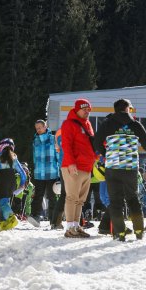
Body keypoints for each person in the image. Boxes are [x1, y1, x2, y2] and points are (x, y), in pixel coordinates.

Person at [93, 98, 146, 241]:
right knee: (133, 199)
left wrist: (106, 154)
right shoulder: (135, 124)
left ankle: (119, 233)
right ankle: (139, 231)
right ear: (127, 109)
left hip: (113, 167)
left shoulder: (107, 124)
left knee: (115, 201)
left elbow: (96, 142)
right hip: (130, 167)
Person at [60, 99, 97, 238]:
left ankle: (76, 226)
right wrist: (70, 163)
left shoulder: (88, 124)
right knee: (72, 197)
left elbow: (91, 145)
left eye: (89, 110)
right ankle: (69, 228)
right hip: (73, 167)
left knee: (80, 200)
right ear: (77, 109)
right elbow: (66, 145)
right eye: (85, 109)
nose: (87, 112)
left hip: (87, 167)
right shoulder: (68, 124)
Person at [29, 119, 60, 228]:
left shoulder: (53, 139)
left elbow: (58, 156)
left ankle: (53, 220)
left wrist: (60, 173)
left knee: (51, 197)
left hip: (51, 172)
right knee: (38, 196)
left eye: (40, 127)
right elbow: (34, 157)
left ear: (45, 127)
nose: (38, 130)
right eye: (36, 128)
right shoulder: (35, 140)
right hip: (39, 173)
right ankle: (35, 216)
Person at [0, 139, 28, 231]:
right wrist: (21, 185)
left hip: (1, 181)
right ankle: (4, 224)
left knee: (3, 203)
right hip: (12, 181)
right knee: (5, 202)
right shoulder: (14, 158)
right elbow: (23, 174)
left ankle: (12, 218)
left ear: (1, 147)